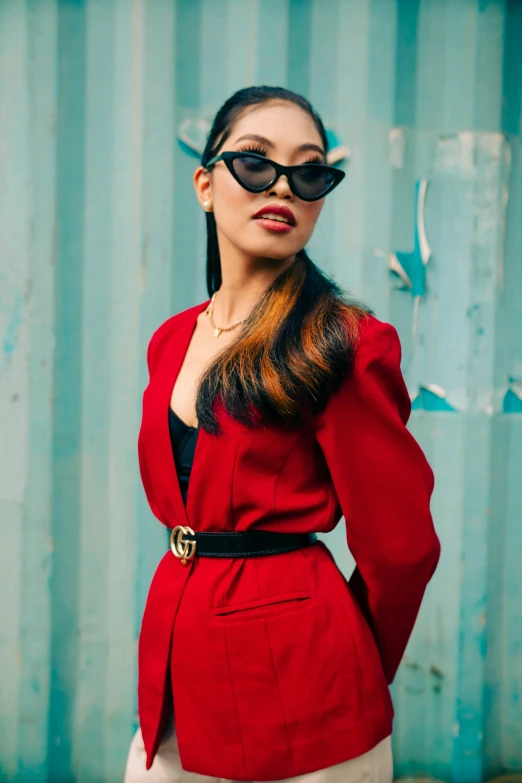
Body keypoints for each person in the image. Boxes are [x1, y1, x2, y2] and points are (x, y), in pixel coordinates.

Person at [124, 86, 441, 783]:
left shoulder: (344, 343)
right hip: (178, 674)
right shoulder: (172, 339)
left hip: (306, 694)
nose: (283, 187)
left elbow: (403, 546)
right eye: (256, 163)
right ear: (206, 184)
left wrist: (350, 661)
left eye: (309, 171)